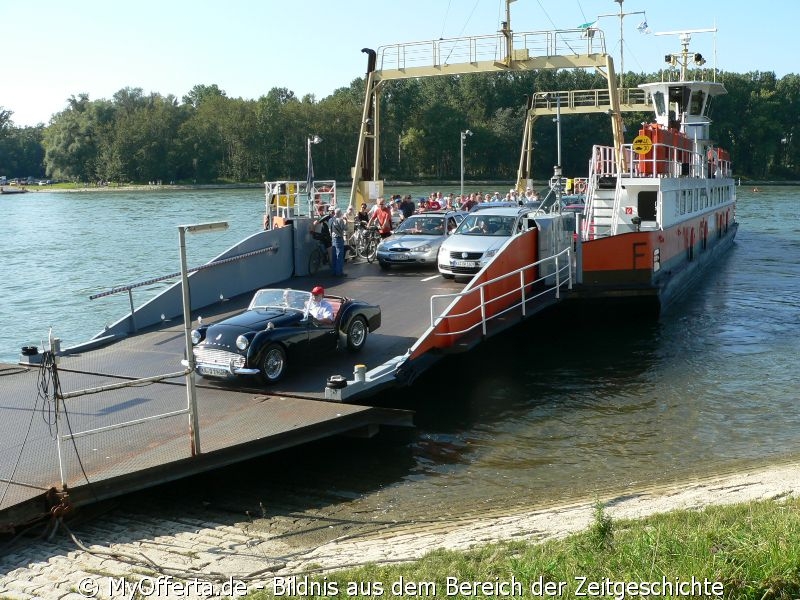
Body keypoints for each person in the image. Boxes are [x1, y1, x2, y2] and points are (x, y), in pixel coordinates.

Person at [329, 208, 347, 276]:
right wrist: (346, 221)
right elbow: (345, 228)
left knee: (334, 256)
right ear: (340, 213)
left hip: (333, 239)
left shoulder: (330, 220)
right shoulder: (340, 220)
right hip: (339, 238)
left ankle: (334, 271)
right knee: (339, 256)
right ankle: (339, 272)